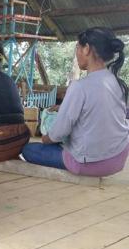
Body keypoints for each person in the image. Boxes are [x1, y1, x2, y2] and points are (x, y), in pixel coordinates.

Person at [22, 27, 129, 176]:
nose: (77, 52)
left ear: (86, 49)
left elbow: (59, 133)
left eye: (77, 47)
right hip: (118, 159)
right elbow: (101, 111)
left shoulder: (80, 86)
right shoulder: (118, 84)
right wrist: (63, 107)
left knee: (29, 149)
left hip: (90, 164)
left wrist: (46, 138)